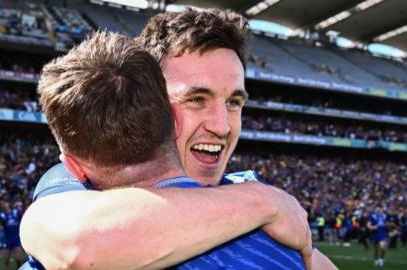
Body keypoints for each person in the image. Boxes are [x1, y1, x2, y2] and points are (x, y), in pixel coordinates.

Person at [21, 8, 331, 269]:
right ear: (149, 100)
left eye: (234, 102)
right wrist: (263, 202)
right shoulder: (78, 186)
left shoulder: (249, 193)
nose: (222, 126)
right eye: (197, 99)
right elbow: (78, 243)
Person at [0, 200, 24, 270]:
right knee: (6, 261)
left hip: (16, 238)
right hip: (7, 239)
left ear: (9, 204)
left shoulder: (16, 212)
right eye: (3, 204)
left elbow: (23, 219)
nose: (4, 205)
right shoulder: (1, 215)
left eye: (5, 203)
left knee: (19, 259)